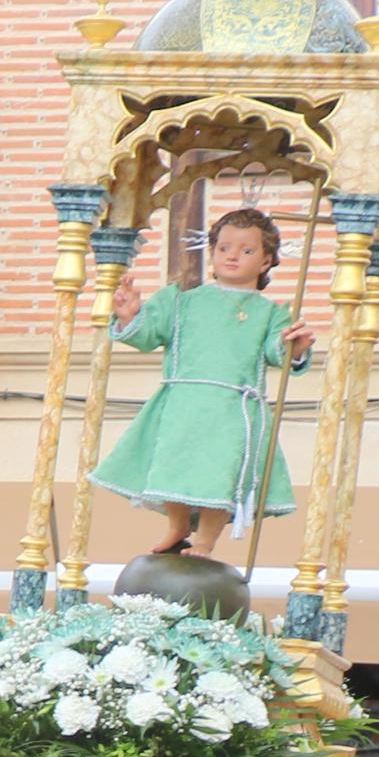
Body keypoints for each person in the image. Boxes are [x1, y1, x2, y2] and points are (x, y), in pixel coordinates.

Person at [98, 206, 320, 553]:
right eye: (224, 248)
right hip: (183, 403)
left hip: (233, 408)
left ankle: (206, 540)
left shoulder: (272, 313)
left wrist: (297, 348)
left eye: (247, 250)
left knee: (221, 473)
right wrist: (130, 316)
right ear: (212, 253)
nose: (233, 256)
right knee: (174, 465)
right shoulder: (182, 302)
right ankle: (178, 525)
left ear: (265, 262)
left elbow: (280, 352)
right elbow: (148, 334)